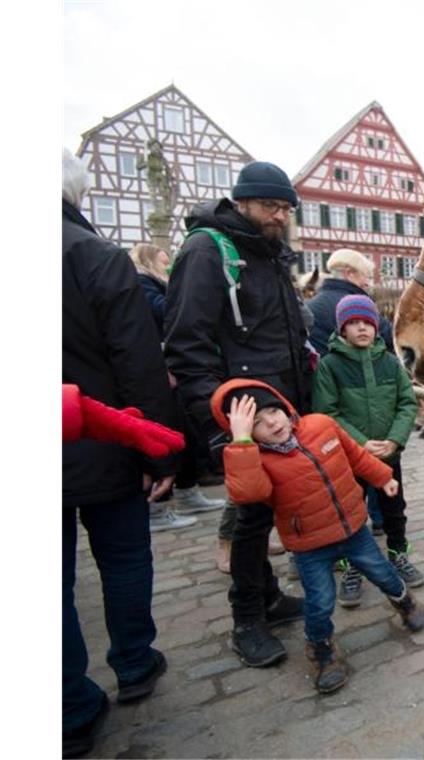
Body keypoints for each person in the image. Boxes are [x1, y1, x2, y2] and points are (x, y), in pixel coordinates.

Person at [164, 160, 311, 667]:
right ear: (241, 203)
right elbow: (186, 346)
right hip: (243, 417)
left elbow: (285, 339)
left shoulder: (268, 254)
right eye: (270, 206)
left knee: (266, 513)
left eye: (286, 208)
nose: (279, 216)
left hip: (279, 411)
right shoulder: (208, 251)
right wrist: (225, 425)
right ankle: (248, 618)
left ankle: (268, 598)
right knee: (250, 520)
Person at [63, 148, 178, 757]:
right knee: (124, 558)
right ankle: (133, 662)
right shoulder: (94, 256)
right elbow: (137, 361)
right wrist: (157, 451)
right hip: (105, 436)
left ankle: (67, 701)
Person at [213, 380, 424, 694]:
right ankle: (321, 650)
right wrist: (242, 443)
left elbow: (356, 455)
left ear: (285, 406)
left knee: (384, 574)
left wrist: (383, 477)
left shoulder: (321, 426)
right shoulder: (254, 460)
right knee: (320, 601)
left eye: (273, 411)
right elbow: (249, 492)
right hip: (310, 548)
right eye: (257, 422)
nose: (271, 422)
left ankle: (404, 601)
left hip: (355, 531)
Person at [313, 295, 423, 606]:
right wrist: (359, 442)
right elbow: (327, 413)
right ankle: (352, 568)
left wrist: (395, 439)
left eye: (367, 323)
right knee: (350, 512)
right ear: (342, 328)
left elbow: (407, 402)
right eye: (353, 323)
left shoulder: (390, 362)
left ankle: (398, 555)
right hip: (349, 459)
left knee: (394, 509)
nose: (362, 328)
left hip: (389, 454)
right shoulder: (330, 366)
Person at [128, 243, 227, 529]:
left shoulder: (155, 284)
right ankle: (157, 507)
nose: (169, 265)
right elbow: (166, 312)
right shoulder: (144, 284)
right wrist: (184, 288)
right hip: (157, 368)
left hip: (171, 367)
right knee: (165, 431)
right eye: (164, 261)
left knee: (186, 433)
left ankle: (187, 491)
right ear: (150, 261)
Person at [306, 248, 393, 356]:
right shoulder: (356, 305)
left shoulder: (311, 304)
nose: (367, 283)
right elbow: (391, 337)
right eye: (366, 276)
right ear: (349, 273)